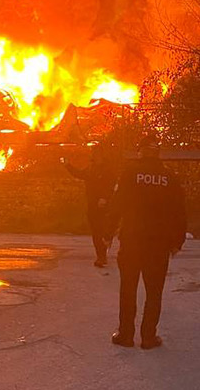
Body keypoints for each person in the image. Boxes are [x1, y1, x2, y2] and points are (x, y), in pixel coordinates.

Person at [111, 136, 186, 350]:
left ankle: (125, 335)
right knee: (154, 291)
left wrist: (107, 232)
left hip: (132, 241)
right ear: (157, 153)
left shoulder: (129, 174)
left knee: (128, 288)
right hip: (158, 244)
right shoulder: (169, 177)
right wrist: (177, 241)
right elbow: (179, 212)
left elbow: (117, 204)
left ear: (140, 152)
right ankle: (148, 337)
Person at [65, 146, 116, 267]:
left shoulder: (108, 169)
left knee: (102, 230)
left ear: (102, 155)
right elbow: (80, 174)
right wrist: (67, 165)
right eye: (94, 153)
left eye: (97, 153)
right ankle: (101, 255)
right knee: (96, 231)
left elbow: (111, 184)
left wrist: (104, 198)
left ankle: (103, 253)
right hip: (92, 204)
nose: (95, 155)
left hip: (104, 204)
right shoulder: (91, 168)